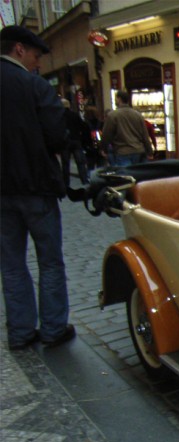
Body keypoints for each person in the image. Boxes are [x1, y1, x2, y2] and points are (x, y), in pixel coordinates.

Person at [1, 25, 76, 349]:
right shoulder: (34, 86)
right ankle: (53, 329)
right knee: (50, 261)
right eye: (35, 55)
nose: (38, 63)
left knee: (11, 264)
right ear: (19, 49)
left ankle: (20, 332)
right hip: (36, 187)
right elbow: (57, 137)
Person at [100, 89, 153, 166]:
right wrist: (149, 151)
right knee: (139, 175)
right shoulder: (137, 115)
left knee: (127, 176)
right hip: (139, 150)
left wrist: (104, 148)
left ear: (119, 99)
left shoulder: (113, 115)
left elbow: (107, 134)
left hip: (123, 151)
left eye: (116, 98)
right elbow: (145, 134)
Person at [60, 98, 91, 187]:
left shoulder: (59, 116)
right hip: (76, 141)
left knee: (65, 163)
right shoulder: (75, 115)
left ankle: (66, 182)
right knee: (80, 162)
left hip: (65, 142)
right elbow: (83, 126)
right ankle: (84, 179)